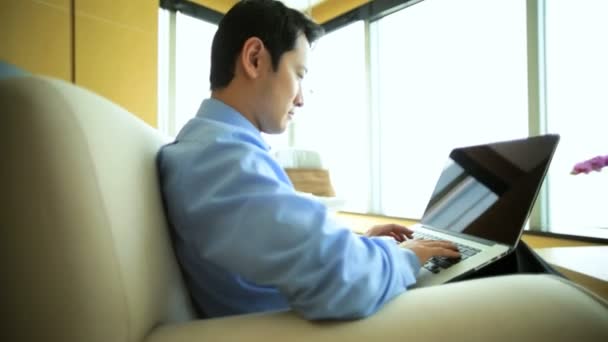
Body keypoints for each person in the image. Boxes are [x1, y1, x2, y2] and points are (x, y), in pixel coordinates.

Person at [157, 0, 460, 320]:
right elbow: (345, 283)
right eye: (298, 74)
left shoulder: (215, 150)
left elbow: (269, 246)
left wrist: (361, 243)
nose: (301, 98)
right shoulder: (219, 160)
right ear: (255, 58)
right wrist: (405, 258)